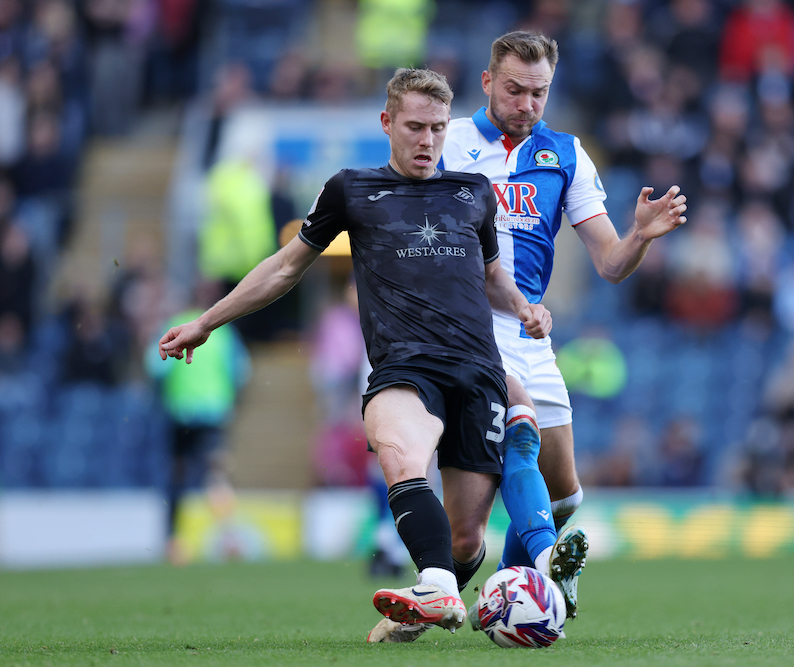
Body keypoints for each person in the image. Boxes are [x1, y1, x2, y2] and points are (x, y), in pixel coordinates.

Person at [157, 68, 552, 638]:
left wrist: (525, 308)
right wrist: (208, 321)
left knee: (468, 538)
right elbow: (285, 266)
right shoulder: (352, 189)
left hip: (479, 369)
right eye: (415, 127)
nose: (427, 141)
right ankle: (438, 584)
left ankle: (433, 596)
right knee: (399, 451)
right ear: (387, 123)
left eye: (438, 128)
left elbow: (492, 278)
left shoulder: (474, 193)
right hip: (405, 365)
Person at [446, 29, 688, 618]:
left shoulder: (566, 153)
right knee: (520, 440)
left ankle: (502, 588)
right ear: (486, 83)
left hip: (532, 328)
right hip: (470, 327)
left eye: (539, 92)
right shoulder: (446, 145)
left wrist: (639, 237)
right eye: (514, 90)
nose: (527, 103)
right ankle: (543, 568)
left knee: (566, 494)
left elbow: (609, 263)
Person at [145, 279, 250, 565]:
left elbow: (154, 366)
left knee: (176, 478)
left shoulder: (173, 325)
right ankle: (229, 538)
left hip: (180, 412)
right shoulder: (224, 332)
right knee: (216, 475)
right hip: (214, 413)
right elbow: (242, 372)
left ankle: (172, 543)